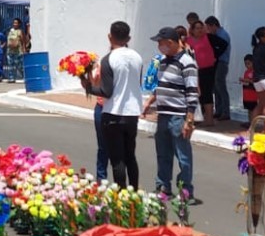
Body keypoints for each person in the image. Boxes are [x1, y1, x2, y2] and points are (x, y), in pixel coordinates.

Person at [81, 21, 145, 189]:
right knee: (130, 156)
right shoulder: (138, 57)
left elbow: (106, 91)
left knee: (117, 159)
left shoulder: (108, 59)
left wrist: (87, 86)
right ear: (128, 37)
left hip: (113, 113)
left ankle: (121, 194)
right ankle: (134, 192)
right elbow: (137, 84)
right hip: (132, 113)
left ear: (110, 37)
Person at [142, 27, 200, 204]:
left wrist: (189, 120)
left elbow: (192, 92)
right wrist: (149, 103)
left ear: (171, 43)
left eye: (161, 43)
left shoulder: (187, 62)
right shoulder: (165, 62)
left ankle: (185, 191)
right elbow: (161, 86)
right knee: (163, 153)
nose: (159, 46)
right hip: (163, 115)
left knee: (183, 156)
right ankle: (163, 186)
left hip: (178, 116)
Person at [186, 22, 219, 127]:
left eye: (201, 28)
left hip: (207, 69)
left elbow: (223, 44)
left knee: (206, 92)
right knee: (196, 93)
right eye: (197, 28)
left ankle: (210, 119)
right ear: (192, 30)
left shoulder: (208, 37)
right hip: (194, 70)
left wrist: (215, 56)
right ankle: (198, 116)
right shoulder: (188, 40)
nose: (199, 30)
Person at [204, 16, 233, 122]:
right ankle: (219, 110)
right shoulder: (217, 34)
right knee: (216, 87)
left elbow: (220, 48)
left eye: (208, 27)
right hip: (217, 63)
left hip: (222, 62)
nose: (208, 30)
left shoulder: (222, 35)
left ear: (214, 25)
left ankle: (225, 112)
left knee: (220, 86)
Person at [5, 18, 27, 83]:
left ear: (19, 24)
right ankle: (11, 78)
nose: (14, 24)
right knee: (10, 65)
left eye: (16, 23)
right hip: (10, 51)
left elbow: (23, 41)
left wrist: (24, 49)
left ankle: (25, 77)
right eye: (14, 23)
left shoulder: (20, 31)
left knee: (20, 66)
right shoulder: (10, 31)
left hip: (18, 51)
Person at [239, 54, 259, 127]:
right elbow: (246, 82)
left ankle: (253, 125)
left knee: (253, 109)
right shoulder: (246, 72)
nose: (247, 65)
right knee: (249, 110)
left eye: (248, 63)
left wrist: (246, 80)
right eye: (245, 64)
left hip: (253, 95)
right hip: (246, 94)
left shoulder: (255, 72)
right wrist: (243, 81)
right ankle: (250, 122)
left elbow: (254, 81)